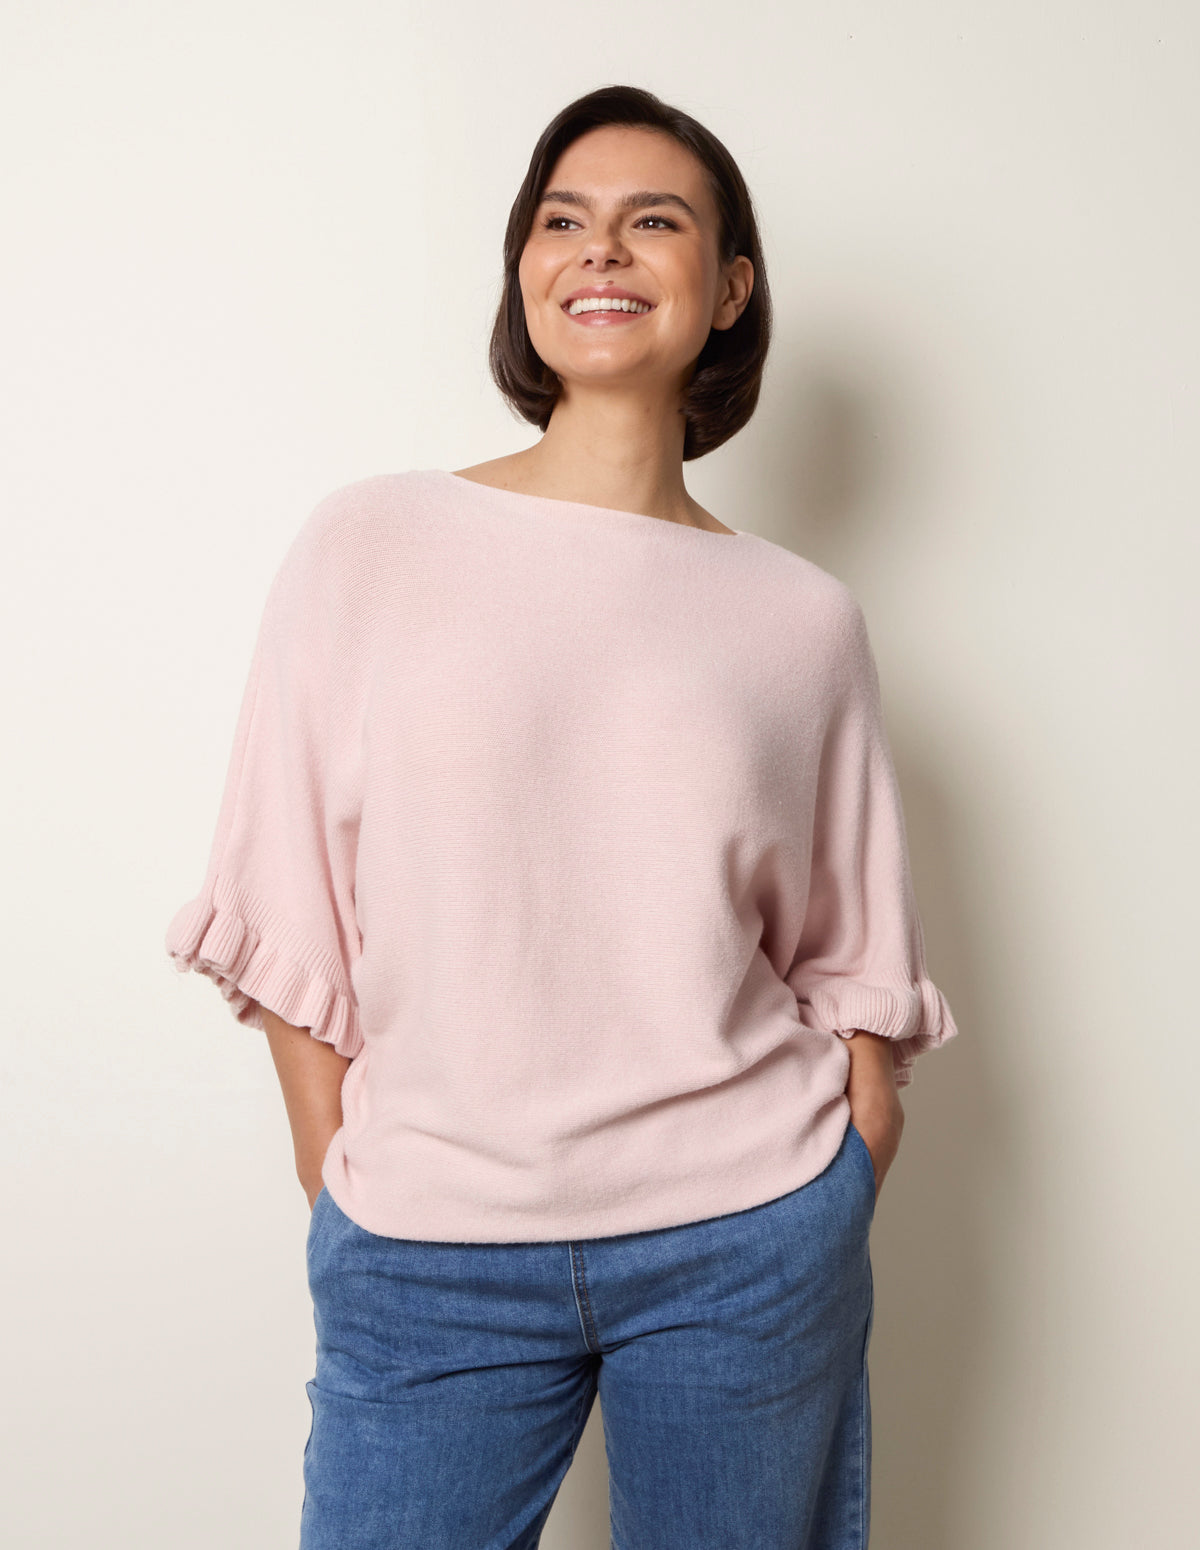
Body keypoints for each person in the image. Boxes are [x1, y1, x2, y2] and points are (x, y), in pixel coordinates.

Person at [165, 83, 959, 1550]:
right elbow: (283, 892)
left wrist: (844, 1168)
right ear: (527, 270)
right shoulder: (372, 543)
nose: (601, 250)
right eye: (563, 221)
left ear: (731, 288)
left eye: (654, 222)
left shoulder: (802, 620)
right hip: (430, 1245)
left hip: (743, 1243)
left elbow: (854, 953)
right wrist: (347, 1183)